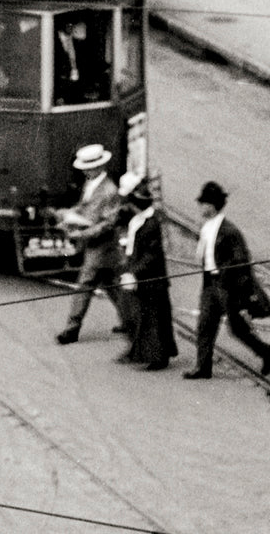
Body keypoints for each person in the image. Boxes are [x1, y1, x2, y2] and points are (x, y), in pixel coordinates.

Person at [184, 181, 270, 379]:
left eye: (203, 203)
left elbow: (241, 259)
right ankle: (203, 367)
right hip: (210, 284)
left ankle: (265, 351)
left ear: (212, 205)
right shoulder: (206, 227)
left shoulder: (229, 231)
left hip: (227, 287)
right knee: (205, 325)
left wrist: (226, 276)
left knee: (237, 328)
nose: (200, 207)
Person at [55, 144, 128, 344]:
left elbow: (108, 224)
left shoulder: (109, 191)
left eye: (88, 168)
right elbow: (85, 206)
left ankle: (72, 328)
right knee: (112, 286)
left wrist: (82, 234)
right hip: (100, 248)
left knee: (85, 285)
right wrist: (71, 214)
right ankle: (130, 319)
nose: (85, 171)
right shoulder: (92, 184)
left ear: (99, 167)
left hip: (103, 247)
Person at [117, 174, 178, 370]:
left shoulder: (151, 223)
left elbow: (151, 255)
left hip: (152, 279)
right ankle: (148, 353)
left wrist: (133, 272)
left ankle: (158, 357)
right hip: (143, 277)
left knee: (154, 318)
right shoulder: (139, 219)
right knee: (147, 317)